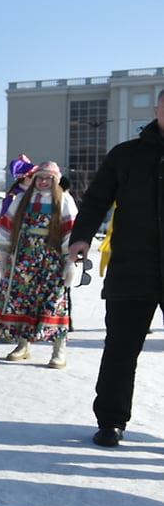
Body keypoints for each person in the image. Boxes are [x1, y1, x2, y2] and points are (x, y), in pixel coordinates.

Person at [68, 89, 164, 448]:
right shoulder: (125, 155)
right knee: (121, 350)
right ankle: (110, 421)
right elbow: (95, 201)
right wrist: (80, 237)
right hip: (131, 267)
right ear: (156, 110)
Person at [0, 160, 78, 368]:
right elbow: (7, 226)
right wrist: (2, 252)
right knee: (22, 300)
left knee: (54, 301)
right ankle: (23, 344)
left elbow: (70, 231)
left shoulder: (64, 200)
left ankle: (59, 349)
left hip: (52, 259)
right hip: (24, 258)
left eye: (48, 179)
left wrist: (70, 261)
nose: (44, 182)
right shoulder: (21, 199)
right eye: (40, 178)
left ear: (55, 181)